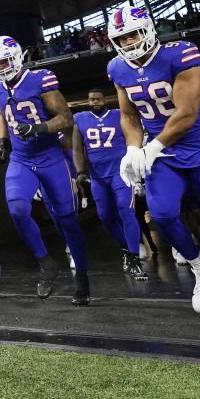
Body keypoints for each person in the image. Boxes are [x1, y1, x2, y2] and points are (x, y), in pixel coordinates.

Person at [107, 7, 200, 320]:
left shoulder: (181, 54)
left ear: (149, 30)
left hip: (199, 147)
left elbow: (187, 113)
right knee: (161, 215)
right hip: (162, 153)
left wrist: (153, 146)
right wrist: (134, 149)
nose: (130, 41)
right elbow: (129, 115)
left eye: (134, 32)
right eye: (122, 37)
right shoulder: (117, 68)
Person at [0, 37, 86, 304]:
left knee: (66, 219)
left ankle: (82, 277)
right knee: (18, 209)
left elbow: (67, 118)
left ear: (17, 57)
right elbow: (3, 111)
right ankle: (46, 262)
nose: (0, 67)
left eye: (3, 61)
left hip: (50, 156)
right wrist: (4, 141)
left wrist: (38, 128)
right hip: (21, 158)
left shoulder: (41, 79)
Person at [71, 88, 146, 281]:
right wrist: (80, 172)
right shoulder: (80, 119)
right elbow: (77, 149)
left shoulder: (120, 114)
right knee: (105, 217)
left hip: (121, 173)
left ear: (105, 99)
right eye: (91, 99)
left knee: (126, 210)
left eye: (98, 99)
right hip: (98, 176)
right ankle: (125, 248)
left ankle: (135, 257)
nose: (95, 102)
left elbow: (134, 136)